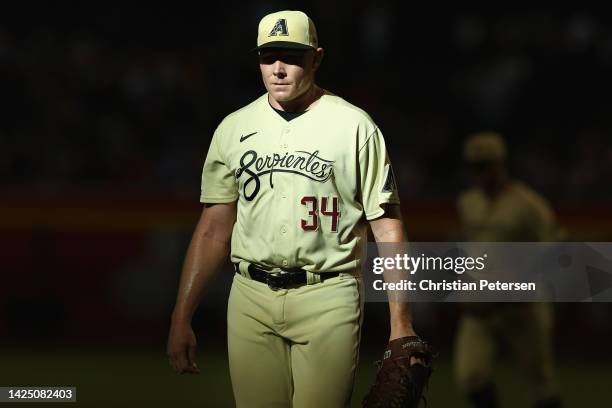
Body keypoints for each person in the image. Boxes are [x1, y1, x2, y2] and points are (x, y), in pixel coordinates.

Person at [166, 10, 422, 407]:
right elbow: (214, 226)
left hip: (329, 295)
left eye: (292, 56)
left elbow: (386, 227)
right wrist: (182, 316)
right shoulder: (234, 128)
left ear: (316, 58)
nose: (279, 69)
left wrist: (400, 323)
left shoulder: (355, 126)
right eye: (269, 57)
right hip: (249, 297)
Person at [454, 131, 562, 408]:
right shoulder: (469, 202)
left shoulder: (529, 204)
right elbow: (469, 247)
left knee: (541, 384)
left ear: (501, 163)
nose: (480, 172)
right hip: (482, 301)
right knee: (471, 375)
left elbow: (556, 249)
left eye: (485, 164)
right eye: (475, 166)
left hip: (523, 304)